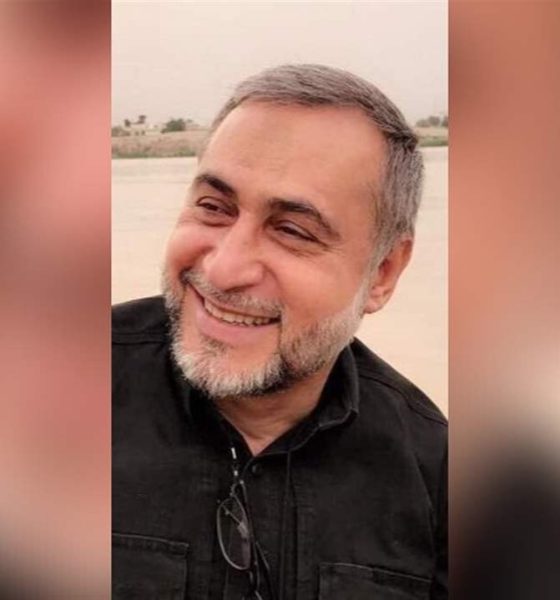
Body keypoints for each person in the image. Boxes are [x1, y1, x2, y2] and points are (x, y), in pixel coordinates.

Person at [113, 64, 447, 600]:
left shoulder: (439, 477)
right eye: (213, 208)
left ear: (383, 273)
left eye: (292, 231)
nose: (223, 269)